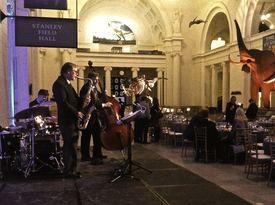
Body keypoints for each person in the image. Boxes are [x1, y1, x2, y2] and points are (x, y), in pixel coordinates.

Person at [52, 62, 84, 179]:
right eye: (75, 71)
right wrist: (76, 112)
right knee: (70, 146)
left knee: (73, 146)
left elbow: (74, 100)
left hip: (72, 119)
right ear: (68, 71)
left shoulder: (68, 83)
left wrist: (84, 100)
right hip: (67, 120)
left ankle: (72, 170)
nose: (77, 73)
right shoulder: (59, 84)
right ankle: (69, 171)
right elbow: (63, 102)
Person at [80, 72, 112, 164]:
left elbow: (98, 96)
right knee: (86, 136)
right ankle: (85, 155)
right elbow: (93, 103)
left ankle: (97, 153)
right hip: (88, 115)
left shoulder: (93, 88)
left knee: (97, 134)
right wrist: (104, 104)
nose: (97, 81)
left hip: (94, 115)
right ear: (90, 79)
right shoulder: (86, 88)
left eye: (98, 79)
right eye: (95, 79)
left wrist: (103, 94)